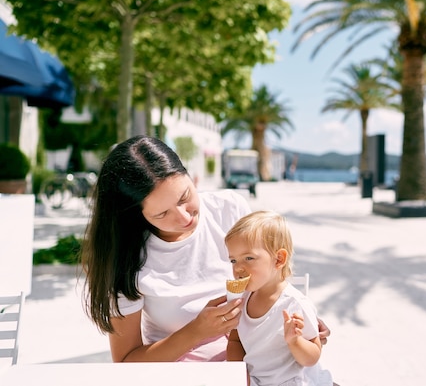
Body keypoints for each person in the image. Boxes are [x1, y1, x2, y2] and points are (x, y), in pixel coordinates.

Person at [80, 135, 330, 363]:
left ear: (191, 176)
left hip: (259, 361)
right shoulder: (126, 257)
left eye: (184, 197)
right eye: (162, 213)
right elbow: (126, 362)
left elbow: (269, 278)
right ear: (137, 215)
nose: (183, 217)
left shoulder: (229, 209)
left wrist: (299, 320)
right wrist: (196, 331)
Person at [225, 210, 333, 386]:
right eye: (233, 261)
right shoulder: (243, 299)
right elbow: (235, 340)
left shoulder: (294, 304)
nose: (238, 268)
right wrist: (240, 374)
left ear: (278, 259)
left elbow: (312, 357)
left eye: (249, 258)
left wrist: (295, 341)